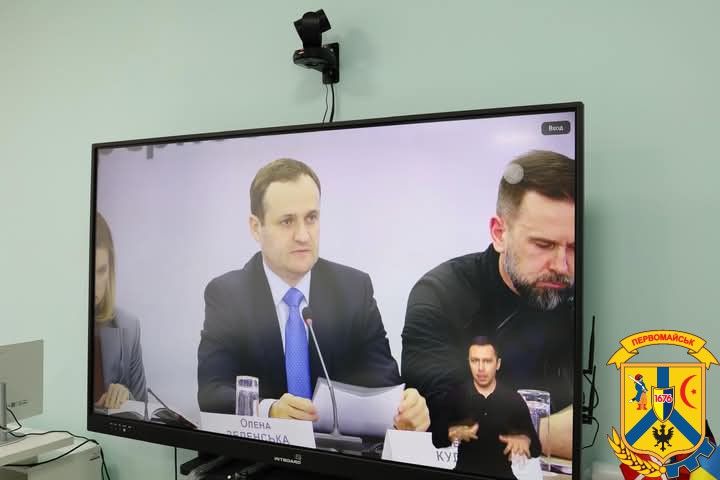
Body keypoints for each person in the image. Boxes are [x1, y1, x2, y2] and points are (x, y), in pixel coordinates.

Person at [197, 158, 429, 432]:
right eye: (287, 221)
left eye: (311, 218)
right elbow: (212, 392)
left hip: (336, 454)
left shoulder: (353, 289)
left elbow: (382, 384)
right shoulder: (228, 295)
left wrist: (405, 408)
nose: (303, 236)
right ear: (256, 227)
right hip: (259, 453)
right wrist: (268, 411)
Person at [402, 150, 575, 458]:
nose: (562, 265)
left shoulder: (586, 297)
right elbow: (445, 419)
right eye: (543, 245)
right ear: (499, 233)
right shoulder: (441, 295)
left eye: (574, 247)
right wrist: (542, 432)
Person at [433, 337, 541, 479]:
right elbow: (437, 440)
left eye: (487, 361)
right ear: (468, 362)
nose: (481, 368)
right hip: (464, 472)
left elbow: (536, 449)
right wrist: (451, 433)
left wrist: (526, 440)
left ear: (498, 364)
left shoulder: (513, 399)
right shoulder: (455, 396)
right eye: (475, 361)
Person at [94, 212, 147, 408]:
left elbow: (144, 411)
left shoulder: (129, 326)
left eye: (101, 271)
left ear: (110, 269)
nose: (94, 285)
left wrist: (127, 398)